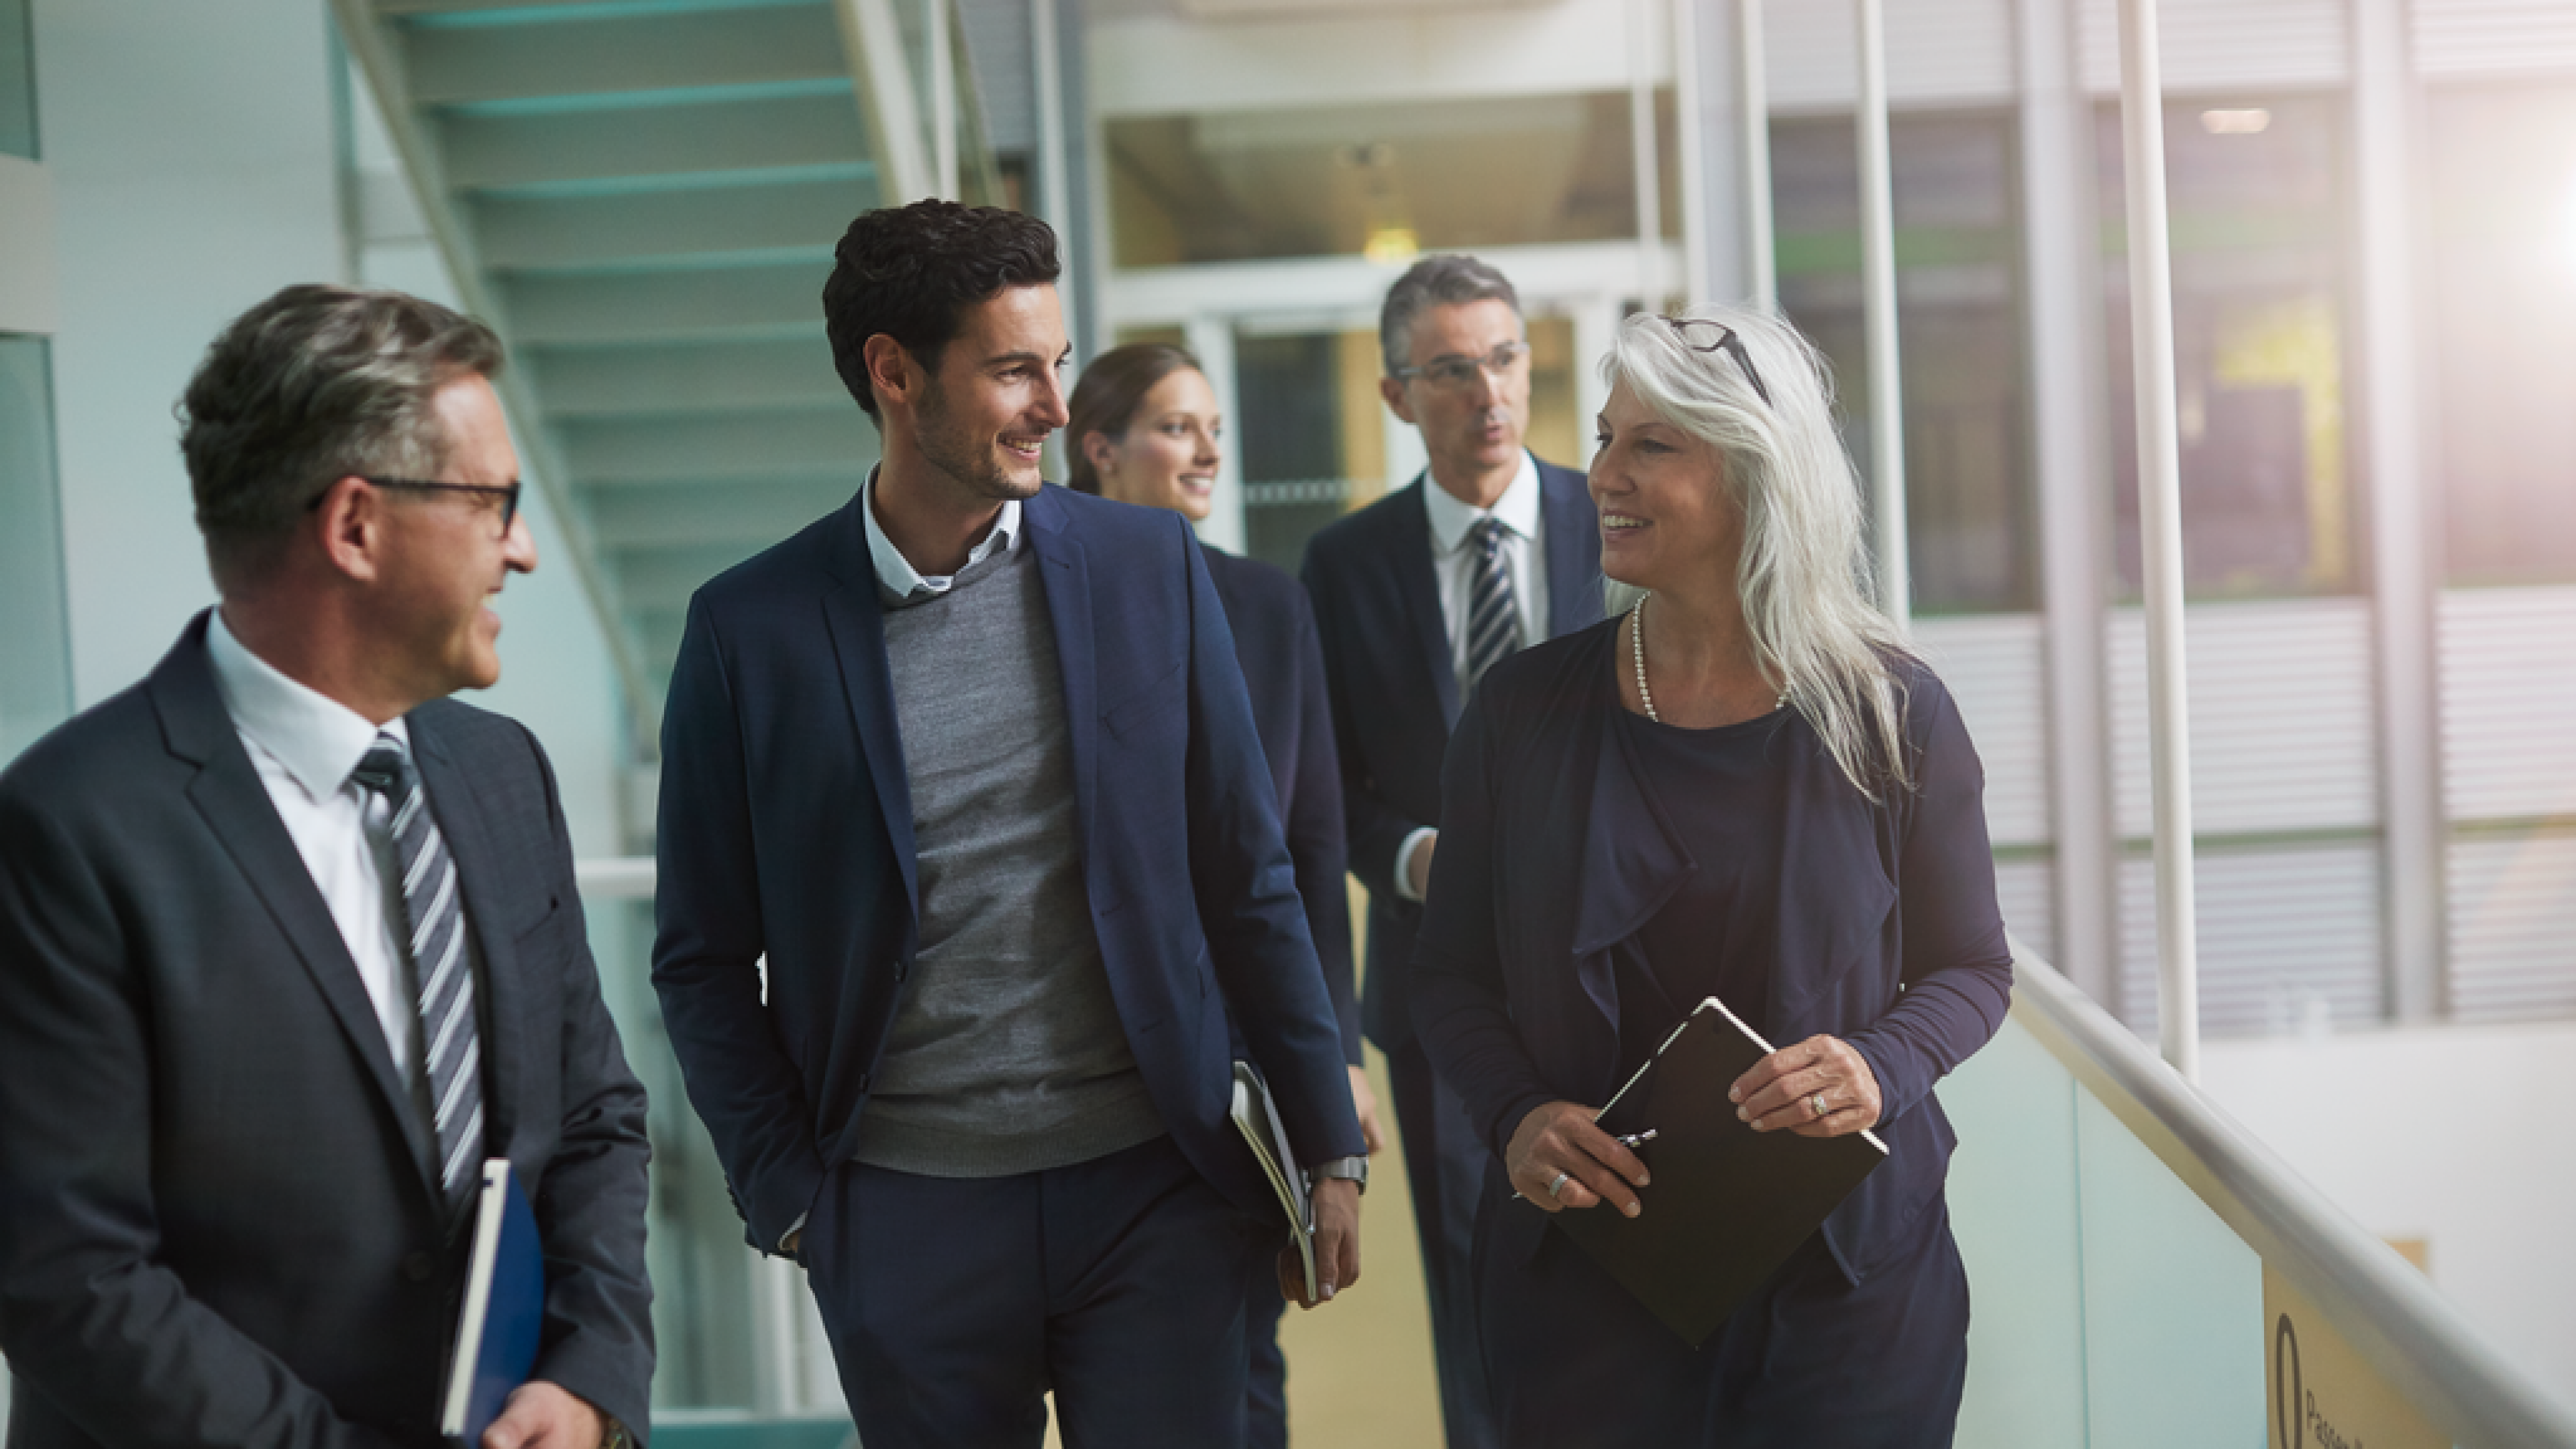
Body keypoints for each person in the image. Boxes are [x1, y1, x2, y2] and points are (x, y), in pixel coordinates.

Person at [650, 201, 1366, 1449]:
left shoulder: (1152, 569)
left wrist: (1328, 1146)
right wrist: (799, 1202)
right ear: (892, 373)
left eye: (1059, 364)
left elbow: (1248, 872)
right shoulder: (747, 630)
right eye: (1012, 370)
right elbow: (702, 956)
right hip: (906, 1221)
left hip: (1163, 1194)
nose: (1053, 407)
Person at [0, 285, 655, 1449]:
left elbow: (592, 1118)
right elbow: (70, 1272)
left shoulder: (502, 773)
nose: (525, 548)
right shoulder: (67, 828)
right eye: (495, 502)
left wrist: (589, 1376)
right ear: (356, 526)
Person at [1407, 306, 2015, 1443]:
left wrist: (1882, 1065)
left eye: (1651, 447)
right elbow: (1446, 977)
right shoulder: (1521, 714)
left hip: (1849, 1291)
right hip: (1588, 1285)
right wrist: (1517, 1114)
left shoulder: (1893, 711)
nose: (1600, 476)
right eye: (1601, 439)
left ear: (1753, 478)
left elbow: (1972, 967)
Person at [1297, 253, 1601, 1449]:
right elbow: (1329, 793)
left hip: (1620, 977)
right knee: (1479, 1293)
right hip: (1441, 989)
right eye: (1454, 370)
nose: (1490, 394)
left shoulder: (1610, 519)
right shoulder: (1345, 566)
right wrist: (1416, 855)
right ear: (1397, 396)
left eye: (1508, 360)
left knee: (1629, 1269)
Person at [1066, 343, 1388, 1448]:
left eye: (1212, 425)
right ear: (1098, 451)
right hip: (1097, 1055)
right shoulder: (1046, 608)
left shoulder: (1265, 604)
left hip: (1245, 1060)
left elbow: (1303, 855)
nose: (1208, 449)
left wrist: (1334, 1059)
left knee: (1246, 1359)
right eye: (1175, 426)